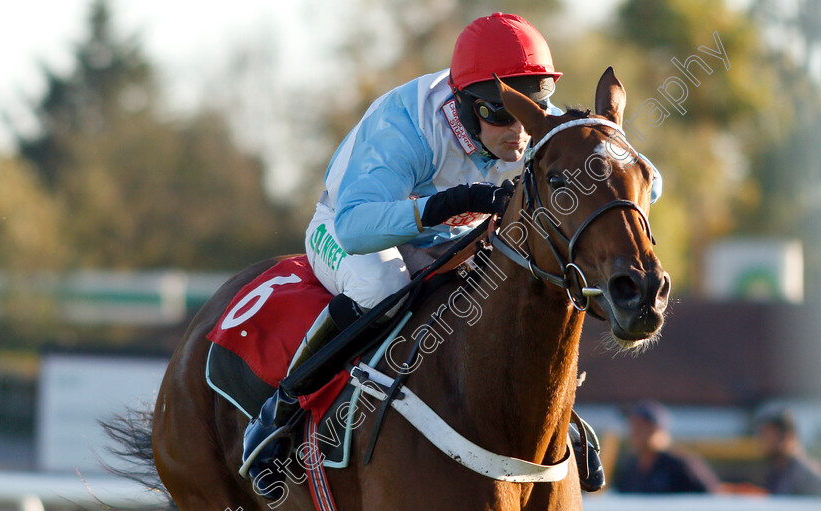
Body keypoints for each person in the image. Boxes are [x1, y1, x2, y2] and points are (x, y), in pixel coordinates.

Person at [243, 12, 662, 492]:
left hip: (449, 241)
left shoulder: (526, 128)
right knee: (384, 284)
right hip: (348, 230)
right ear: (463, 103)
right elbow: (356, 228)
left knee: (520, 283)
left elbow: (645, 179)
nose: (518, 130)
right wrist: (461, 201)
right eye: (499, 113)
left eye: (529, 107)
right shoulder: (405, 128)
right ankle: (282, 408)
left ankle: (555, 413)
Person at [613, 400, 720, 493]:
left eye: (641, 426)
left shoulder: (680, 466)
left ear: (657, 429)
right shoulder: (630, 468)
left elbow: (710, 496)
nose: (635, 431)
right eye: (632, 425)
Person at [756, 407, 821, 496]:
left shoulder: (809, 477)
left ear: (787, 436)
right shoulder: (778, 471)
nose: (763, 441)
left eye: (768, 435)